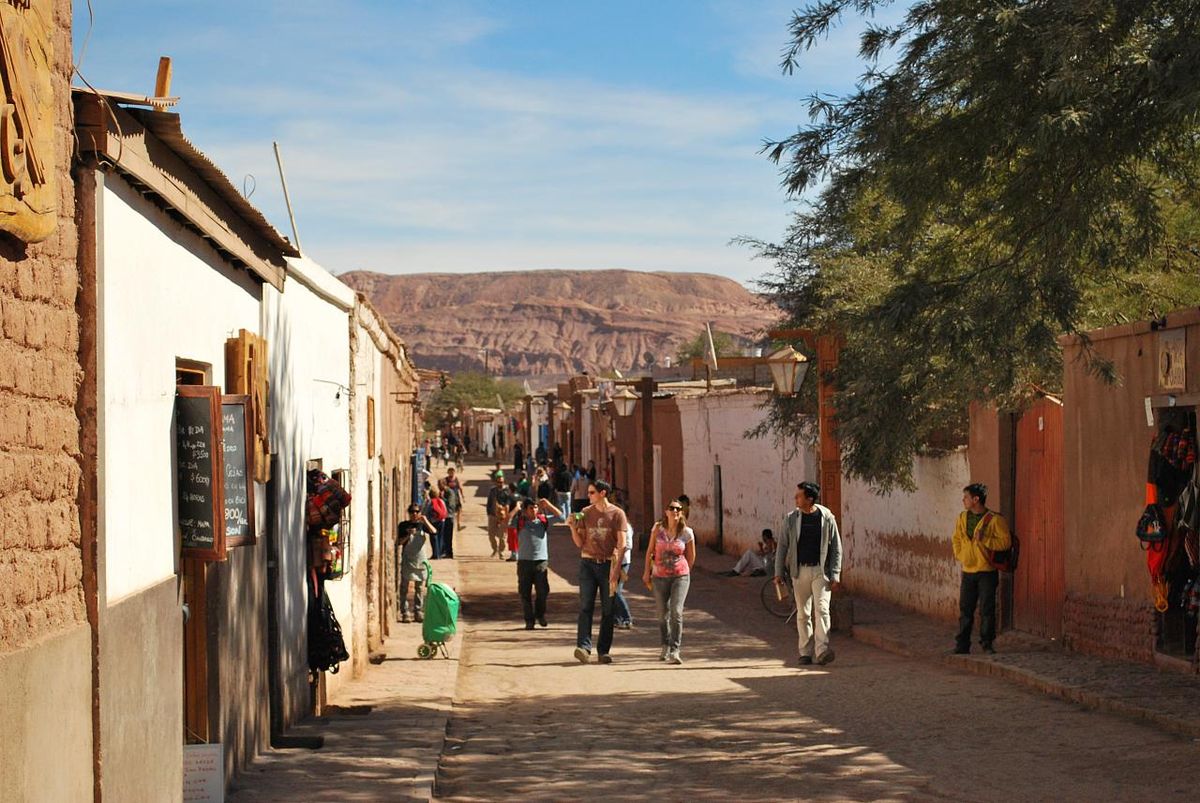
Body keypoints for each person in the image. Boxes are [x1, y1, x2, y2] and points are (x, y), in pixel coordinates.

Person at [774, 482, 842, 666]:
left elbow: (836, 547)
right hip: (799, 571)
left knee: (822, 609)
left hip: (821, 571)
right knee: (803, 613)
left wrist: (835, 574)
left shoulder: (827, 518)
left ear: (809, 499)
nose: (796, 498)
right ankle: (805, 652)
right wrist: (778, 572)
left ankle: (822, 650)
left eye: (799, 496)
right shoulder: (791, 519)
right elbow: (782, 546)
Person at [568, 479, 627, 664]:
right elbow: (579, 543)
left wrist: (616, 570)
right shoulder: (585, 513)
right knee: (586, 606)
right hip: (587, 563)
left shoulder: (617, 514)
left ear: (603, 493)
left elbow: (622, 543)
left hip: (608, 564)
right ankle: (583, 648)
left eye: (592, 492)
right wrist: (572, 527)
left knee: (608, 610)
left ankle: (603, 651)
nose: (588, 495)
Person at [952, 482, 1011, 655]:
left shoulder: (994, 520)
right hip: (968, 570)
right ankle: (962, 644)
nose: (963, 500)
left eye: (966, 497)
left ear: (976, 499)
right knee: (965, 609)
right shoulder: (962, 518)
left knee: (987, 609)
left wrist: (985, 540)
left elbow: (1005, 542)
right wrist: (960, 555)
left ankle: (987, 643)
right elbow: (956, 538)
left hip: (986, 571)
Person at [643, 499, 696, 664]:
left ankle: (675, 650)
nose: (675, 511)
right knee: (661, 614)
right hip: (659, 576)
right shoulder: (658, 529)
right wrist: (646, 572)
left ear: (681, 513)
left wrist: (685, 570)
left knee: (676, 611)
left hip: (680, 576)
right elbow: (650, 551)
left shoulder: (687, 533)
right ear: (666, 512)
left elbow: (691, 556)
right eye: (672, 508)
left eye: (678, 509)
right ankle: (664, 644)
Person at [510, 496, 564, 629]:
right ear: (525, 510)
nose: (534, 510)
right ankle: (529, 620)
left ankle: (540, 615)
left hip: (541, 562)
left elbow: (562, 518)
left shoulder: (543, 521)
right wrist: (516, 509)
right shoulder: (520, 521)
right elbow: (506, 521)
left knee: (543, 591)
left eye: (536, 507)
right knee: (525, 592)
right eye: (531, 508)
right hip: (524, 562)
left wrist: (548, 504)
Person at [397, 504, 436, 623]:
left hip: (420, 561)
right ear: (409, 513)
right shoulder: (403, 525)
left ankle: (418, 611)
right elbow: (399, 542)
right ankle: (405, 612)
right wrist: (408, 535)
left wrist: (425, 521)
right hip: (408, 560)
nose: (414, 514)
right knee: (404, 587)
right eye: (412, 512)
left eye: (416, 512)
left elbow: (434, 531)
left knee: (419, 588)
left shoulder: (422, 526)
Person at [485, 471, 515, 559]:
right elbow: (489, 502)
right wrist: (489, 512)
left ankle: (501, 551)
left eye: (501, 482)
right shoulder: (492, 490)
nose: (500, 484)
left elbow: (509, 502)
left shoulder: (507, 491)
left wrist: (505, 511)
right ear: (495, 482)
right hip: (493, 515)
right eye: (498, 482)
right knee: (491, 534)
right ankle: (494, 549)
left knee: (502, 536)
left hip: (503, 516)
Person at [613, 520, 635, 629]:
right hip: (611, 562)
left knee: (617, 591)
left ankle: (627, 618)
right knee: (612, 591)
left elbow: (628, 545)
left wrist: (617, 551)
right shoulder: (612, 525)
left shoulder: (626, 526)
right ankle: (617, 619)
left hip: (623, 562)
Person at [423, 486, 449, 558]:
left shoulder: (430, 502)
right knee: (440, 537)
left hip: (433, 521)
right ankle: (439, 554)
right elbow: (445, 511)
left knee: (434, 538)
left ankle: (435, 554)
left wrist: (426, 519)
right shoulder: (441, 501)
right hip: (442, 521)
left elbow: (426, 511)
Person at [444, 466, 465, 535]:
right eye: (450, 472)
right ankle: (451, 523)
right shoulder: (446, 480)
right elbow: (443, 488)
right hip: (449, 498)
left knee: (459, 509)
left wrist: (462, 496)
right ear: (448, 472)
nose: (451, 473)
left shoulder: (456, 479)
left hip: (456, 497)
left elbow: (460, 488)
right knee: (450, 511)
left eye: (452, 472)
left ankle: (458, 523)